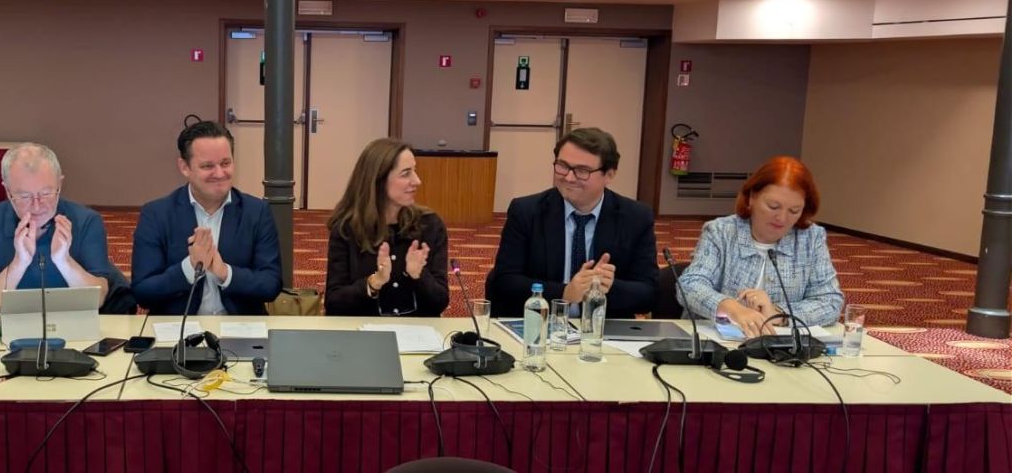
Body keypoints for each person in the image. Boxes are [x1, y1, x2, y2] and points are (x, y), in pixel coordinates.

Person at [485, 128, 657, 319]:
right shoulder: (526, 212)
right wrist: (564, 293)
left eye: (582, 171)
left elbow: (650, 292)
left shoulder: (635, 217)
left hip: (604, 329)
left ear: (609, 174)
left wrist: (606, 287)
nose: (568, 177)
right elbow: (504, 282)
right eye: (562, 166)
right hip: (541, 324)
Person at [677, 156, 845, 336]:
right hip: (716, 343)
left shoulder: (811, 238)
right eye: (773, 206)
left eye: (794, 211)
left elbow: (831, 301)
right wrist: (732, 308)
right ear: (752, 198)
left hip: (779, 347)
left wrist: (779, 314)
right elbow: (689, 286)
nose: (782, 218)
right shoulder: (721, 231)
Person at [131, 120, 282, 315]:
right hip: (179, 326)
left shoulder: (256, 212)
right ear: (184, 167)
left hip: (238, 325)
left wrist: (225, 272)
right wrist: (190, 267)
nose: (219, 173)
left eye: (225, 163)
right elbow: (143, 292)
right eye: (208, 166)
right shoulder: (156, 214)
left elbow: (271, 284)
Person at [0, 143, 133, 313]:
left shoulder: (87, 221)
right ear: (8, 191)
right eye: (24, 196)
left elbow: (98, 298)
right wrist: (18, 264)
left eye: (46, 193)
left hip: (75, 318)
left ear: (59, 185)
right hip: (13, 320)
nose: (37, 206)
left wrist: (64, 261)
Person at [324, 138, 449, 317]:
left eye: (415, 171)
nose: (417, 181)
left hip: (418, 330)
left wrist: (419, 276)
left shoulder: (430, 225)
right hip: (364, 330)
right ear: (378, 180)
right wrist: (373, 283)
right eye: (406, 173)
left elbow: (440, 303)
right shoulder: (347, 229)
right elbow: (334, 304)